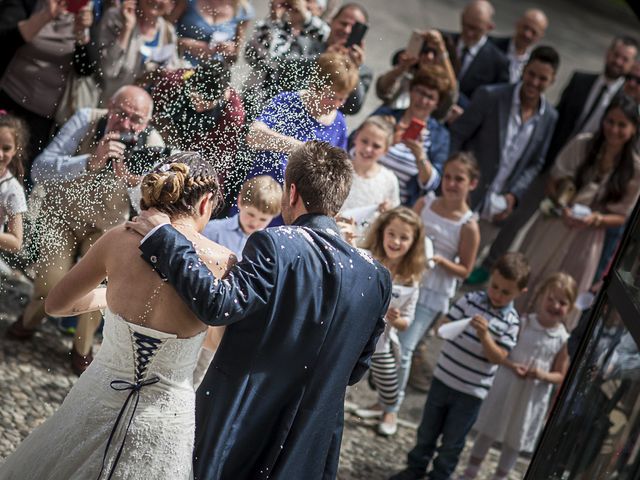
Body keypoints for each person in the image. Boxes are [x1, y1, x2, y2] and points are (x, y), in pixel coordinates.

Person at [126, 140, 392, 479]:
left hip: (241, 424)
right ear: (339, 201)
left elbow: (218, 304)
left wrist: (166, 240)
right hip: (312, 442)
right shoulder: (376, 276)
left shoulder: (276, 244)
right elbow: (356, 369)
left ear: (291, 193)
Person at [0, 153, 234, 480]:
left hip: (98, 395)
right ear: (206, 202)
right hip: (165, 419)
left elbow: (56, 304)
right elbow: (217, 342)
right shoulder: (224, 263)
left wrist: (110, 300)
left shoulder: (120, 238)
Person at [6, 86, 164, 375]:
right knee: (51, 285)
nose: (126, 124)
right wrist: (89, 162)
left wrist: (131, 183)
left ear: (146, 123)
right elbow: (40, 169)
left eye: (135, 119)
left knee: (96, 291)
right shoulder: (86, 119)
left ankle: (82, 348)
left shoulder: (153, 144)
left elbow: (149, 209)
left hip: (107, 228)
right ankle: (29, 321)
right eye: (121, 114)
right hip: (62, 216)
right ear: (109, 107)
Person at [475, 35, 639, 286]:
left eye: (624, 59)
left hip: (583, 176)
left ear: (630, 64)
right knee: (517, 218)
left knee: (549, 232)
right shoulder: (581, 80)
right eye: (615, 54)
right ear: (608, 53)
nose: (618, 61)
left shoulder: (623, 102)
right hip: (553, 164)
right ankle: (489, 265)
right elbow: (555, 118)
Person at [390, 252, 530, 480]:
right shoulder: (470, 300)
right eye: (495, 287)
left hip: (471, 392)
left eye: (506, 292)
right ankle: (414, 469)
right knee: (427, 431)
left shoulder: (512, 322)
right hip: (443, 378)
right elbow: (443, 326)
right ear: (491, 279)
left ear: (519, 293)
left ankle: (440, 476)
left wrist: (485, 336)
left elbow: (498, 357)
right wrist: (454, 325)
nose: (497, 294)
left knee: (452, 443)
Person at [516, 96, 640, 313]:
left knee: (564, 289)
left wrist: (596, 219)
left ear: (633, 129)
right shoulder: (583, 144)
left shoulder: (634, 170)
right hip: (555, 223)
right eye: (610, 121)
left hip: (587, 237)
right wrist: (561, 205)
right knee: (531, 273)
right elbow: (553, 180)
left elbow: (622, 216)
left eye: (622, 125)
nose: (614, 129)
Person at [449, 46, 559, 268]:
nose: (535, 82)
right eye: (531, 74)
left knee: (463, 268)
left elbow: (535, 162)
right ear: (524, 69)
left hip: (496, 209)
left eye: (542, 78)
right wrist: (453, 177)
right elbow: (458, 135)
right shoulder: (491, 96)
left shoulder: (550, 117)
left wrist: (514, 195)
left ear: (552, 80)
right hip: (462, 196)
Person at [460, 272, 576, 480]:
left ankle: (501, 476)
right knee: (489, 428)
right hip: (507, 384)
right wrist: (512, 365)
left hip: (531, 395)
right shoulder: (523, 323)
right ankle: (471, 471)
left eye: (562, 302)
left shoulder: (562, 338)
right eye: (550, 298)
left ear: (570, 308)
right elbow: (501, 352)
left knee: (516, 438)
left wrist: (542, 374)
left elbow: (561, 374)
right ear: (540, 296)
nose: (555, 305)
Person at [393, 153, 480, 414]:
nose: (452, 184)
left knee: (405, 348)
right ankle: (384, 398)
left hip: (433, 291)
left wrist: (440, 260)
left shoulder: (468, 225)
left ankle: (392, 407)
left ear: (471, 184)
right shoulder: (426, 202)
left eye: (459, 179)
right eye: (448, 177)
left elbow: (465, 270)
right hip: (408, 279)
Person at [0, 0, 101, 186]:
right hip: (7, 101)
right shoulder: (29, 5)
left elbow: (87, 68)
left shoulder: (84, 14)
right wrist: (46, 16)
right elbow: (5, 37)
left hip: (43, 118)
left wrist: (82, 34)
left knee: (22, 178)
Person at [355, 207, 425, 436]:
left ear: (413, 242)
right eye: (391, 233)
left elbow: (408, 321)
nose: (395, 241)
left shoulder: (410, 279)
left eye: (404, 237)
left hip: (382, 341)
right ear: (382, 232)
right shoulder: (367, 259)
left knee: (389, 385)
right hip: (354, 336)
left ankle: (389, 411)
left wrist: (397, 320)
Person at [245, 51, 356, 193]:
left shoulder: (339, 123)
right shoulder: (288, 102)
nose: (336, 104)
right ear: (315, 85)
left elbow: (338, 173)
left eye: (342, 99)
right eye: (331, 97)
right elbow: (253, 136)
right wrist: (302, 149)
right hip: (260, 197)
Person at [151, 60, 245, 188]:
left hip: (192, 162)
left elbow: (218, 165)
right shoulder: (176, 82)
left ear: (222, 96)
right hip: (162, 141)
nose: (198, 107)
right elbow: (150, 112)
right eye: (195, 98)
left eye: (206, 103)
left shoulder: (232, 116)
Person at [366, 64, 451, 206]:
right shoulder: (386, 115)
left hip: (396, 209)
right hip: (364, 190)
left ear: (437, 104)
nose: (423, 101)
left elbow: (431, 184)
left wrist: (420, 156)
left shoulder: (439, 136)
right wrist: (388, 140)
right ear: (411, 90)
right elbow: (353, 146)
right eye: (420, 92)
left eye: (430, 97)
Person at [243, 0, 330, 120]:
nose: (301, 3)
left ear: (320, 9)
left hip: (291, 111)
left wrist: (305, 17)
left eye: (309, 1)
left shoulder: (321, 35)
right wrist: (274, 20)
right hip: (254, 101)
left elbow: (284, 66)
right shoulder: (275, 26)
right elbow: (252, 57)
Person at [97, 0, 182, 104]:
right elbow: (108, 70)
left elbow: (173, 74)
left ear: (171, 4)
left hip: (144, 111)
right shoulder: (116, 18)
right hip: (112, 104)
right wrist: (127, 28)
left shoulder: (168, 32)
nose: (156, 0)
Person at [376, 29, 458, 120]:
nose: (429, 57)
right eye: (426, 51)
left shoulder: (444, 87)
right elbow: (382, 90)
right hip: (385, 121)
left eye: (435, 53)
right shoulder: (406, 74)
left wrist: (441, 49)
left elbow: (451, 92)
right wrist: (401, 68)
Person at [441, 0, 509, 107]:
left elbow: (496, 104)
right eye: (466, 26)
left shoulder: (498, 62)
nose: (469, 33)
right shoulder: (443, 42)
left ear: (489, 27)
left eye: (476, 29)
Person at [202, 175, 283, 260]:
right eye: (251, 214)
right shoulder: (212, 230)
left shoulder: (269, 245)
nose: (255, 223)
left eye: (263, 219)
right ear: (240, 201)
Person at [339, 116, 400, 214]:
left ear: (386, 150)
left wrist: (387, 211)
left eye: (376, 146)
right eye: (364, 141)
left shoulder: (389, 180)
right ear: (356, 137)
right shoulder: (338, 168)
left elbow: (392, 216)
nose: (368, 149)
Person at [173, 0, 255, 66]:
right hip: (180, 67)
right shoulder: (187, 2)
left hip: (215, 75)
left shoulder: (243, 8)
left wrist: (229, 50)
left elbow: (233, 59)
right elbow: (163, 30)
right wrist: (183, 44)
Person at [490, 9, 548, 83]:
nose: (527, 34)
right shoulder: (491, 45)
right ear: (517, 24)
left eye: (534, 32)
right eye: (525, 27)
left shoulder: (534, 64)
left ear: (540, 37)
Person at [0, 113, 29, 253]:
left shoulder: (12, 189)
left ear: (15, 150)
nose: (0, 154)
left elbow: (16, 242)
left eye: (6, 148)